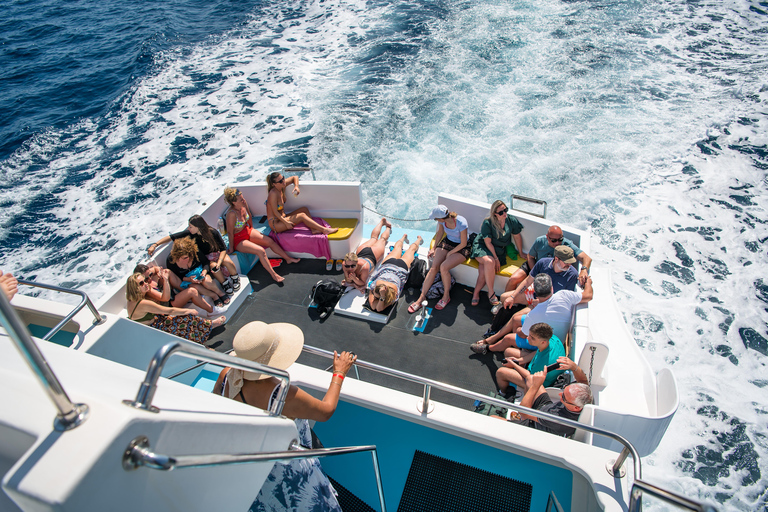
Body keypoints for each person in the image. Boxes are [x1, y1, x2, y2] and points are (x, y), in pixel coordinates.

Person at [213, 321, 356, 512]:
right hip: (286, 466)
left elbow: (217, 408)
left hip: (252, 464)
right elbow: (326, 411)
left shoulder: (226, 375)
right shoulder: (282, 394)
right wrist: (339, 373)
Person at [471, 273, 592, 355]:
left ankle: (488, 348)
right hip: (556, 337)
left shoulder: (534, 314)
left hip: (549, 344)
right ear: (551, 289)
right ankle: (495, 338)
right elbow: (588, 296)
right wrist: (588, 283)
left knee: (508, 338)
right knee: (516, 319)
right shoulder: (565, 295)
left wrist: (519, 331)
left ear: (535, 293)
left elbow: (523, 334)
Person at [147, 215, 240, 294]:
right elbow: (171, 237)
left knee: (227, 262)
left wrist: (220, 261)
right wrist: (155, 245)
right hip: (208, 258)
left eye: (190, 226)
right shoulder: (190, 234)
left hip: (219, 254)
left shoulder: (213, 232)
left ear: (198, 226)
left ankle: (235, 278)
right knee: (214, 267)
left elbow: (223, 249)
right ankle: (225, 284)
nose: (188, 228)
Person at [224, 186, 299, 283]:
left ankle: (288, 259)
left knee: (270, 241)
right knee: (260, 251)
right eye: (241, 200)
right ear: (234, 202)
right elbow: (230, 232)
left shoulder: (244, 204)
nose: (243, 200)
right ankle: (274, 275)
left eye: (243, 198)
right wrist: (231, 247)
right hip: (238, 239)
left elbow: (249, 216)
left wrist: (251, 228)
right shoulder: (231, 214)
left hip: (247, 230)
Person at [126, 273, 224, 344]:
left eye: (145, 281)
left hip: (153, 324)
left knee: (185, 318)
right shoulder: (143, 303)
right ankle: (200, 342)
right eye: (141, 283)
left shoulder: (131, 300)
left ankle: (209, 325)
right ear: (135, 288)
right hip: (154, 329)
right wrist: (189, 310)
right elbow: (169, 310)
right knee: (186, 318)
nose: (146, 284)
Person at [408, 205, 471, 313]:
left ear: (441, 218)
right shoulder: (442, 221)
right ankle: (422, 297)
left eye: (436, 219)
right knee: (434, 268)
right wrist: (434, 248)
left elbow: (464, 243)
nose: (436, 220)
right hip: (448, 242)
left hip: (462, 247)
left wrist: (451, 253)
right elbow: (440, 233)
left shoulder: (461, 222)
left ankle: (446, 296)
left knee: (443, 267)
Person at [511, 358, 592, 437]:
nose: (560, 395)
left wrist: (536, 386)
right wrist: (574, 367)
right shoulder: (586, 398)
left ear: (576, 408)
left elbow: (523, 411)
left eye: (563, 397)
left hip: (535, 425)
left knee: (500, 422)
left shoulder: (559, 420)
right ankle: (526, 414)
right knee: (531, 378)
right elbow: (583, 381)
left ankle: (524, 419)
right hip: (546, 407)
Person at [469, 200, 526, 308]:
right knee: (489, 262)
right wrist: (496, 259)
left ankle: (476, 293)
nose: (504, 213)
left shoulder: (510, 220)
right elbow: (488, 243)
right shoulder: (488, 223)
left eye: (505, 210)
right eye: (501, 212)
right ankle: (491, 292)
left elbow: (517, 236)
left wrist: (521, 252)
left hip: (498, 249)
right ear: (495, 213)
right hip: (483, 246)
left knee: (483, 271)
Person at [505, 224, 592, 293]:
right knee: (513, 279)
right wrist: (535, 272)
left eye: (560, 239)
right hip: (536, 265)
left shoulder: (567, 244)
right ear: (547, 237)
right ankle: (504, 305)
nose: (557, 243)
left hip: (551, 272)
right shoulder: (540, 241)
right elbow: (530, 257)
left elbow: (586, 258)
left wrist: (584, 270)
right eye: (554, 240)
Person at [495, 322, 566, 395]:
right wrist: (519, 361)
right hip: (536, 368)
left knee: (501, 372)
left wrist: (514, 364)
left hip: (538, 384)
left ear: (543, 342)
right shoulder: (552, 339)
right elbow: (537, 353)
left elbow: (529, 376)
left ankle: (503, 393)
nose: (527, 338)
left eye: (532, 338)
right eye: (529, 335)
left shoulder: (543, 363)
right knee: (508, 351)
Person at [166, 237, 228, 315]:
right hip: (187, 280)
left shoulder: (195, 252)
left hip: (201, 273)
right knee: (193, 286)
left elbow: (206, 263)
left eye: (188, 257)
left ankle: (220, 293)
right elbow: (177, 277)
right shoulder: (171, 261)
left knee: (207, 281)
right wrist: (188, 279)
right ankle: (215, 296)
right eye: (184, 258)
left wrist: (204, 272)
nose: (187, 259)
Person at [265, 172, 338, 235]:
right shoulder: (273, 194)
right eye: (280, 181)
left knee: (304, 209)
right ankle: (324, 230)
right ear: (274, 184)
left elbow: (295, 177)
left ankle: (314, 229)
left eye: (283, 178)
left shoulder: (282, 186)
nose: (283, 181)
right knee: (302, 216)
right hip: (276, 224)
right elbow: (275, 212)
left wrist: (296, 186)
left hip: (283, 217)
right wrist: (286, 223)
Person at [368, 235, 423, 312]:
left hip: (401, 267)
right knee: (407, 249)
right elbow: (376, 307)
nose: (375, 297)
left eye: (375, 297)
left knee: (409, 250)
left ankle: (406, 237)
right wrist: (381, 296)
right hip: (388, 265)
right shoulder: (376, 285)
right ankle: (415, 238)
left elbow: (377, 308)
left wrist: (382, 297)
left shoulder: (393, 294)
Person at [341, 218, 391, 292]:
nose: (350, 268)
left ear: (357, 262)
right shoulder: (344, 264)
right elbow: (348, 280)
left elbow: (362, 283)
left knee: (382, 239)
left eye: (353, 266)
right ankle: (382, 222)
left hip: (373, 255)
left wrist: (354, 279)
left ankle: (388, 227)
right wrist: (352, 279)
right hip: (362, 251)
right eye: (348, 266)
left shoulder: (364, 268)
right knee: (373, 238)